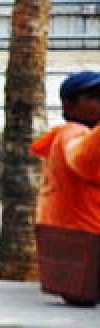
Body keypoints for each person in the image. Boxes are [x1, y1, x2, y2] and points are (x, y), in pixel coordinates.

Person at [31, 71, 100, 234]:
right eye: (94, 97)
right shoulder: (71, 132)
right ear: (69, 106)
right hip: (83, 239)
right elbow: (80, 161)